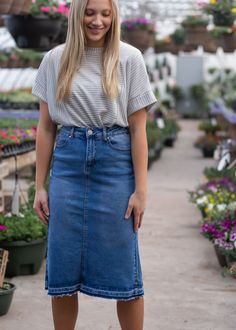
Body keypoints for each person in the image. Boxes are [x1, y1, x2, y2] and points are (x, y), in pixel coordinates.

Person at [32, 0, 157, 329]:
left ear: (114, 14)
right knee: (62, 271)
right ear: (76, 14)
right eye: (90, 12)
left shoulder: (129, 58)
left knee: (125, 271)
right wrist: (39, 186)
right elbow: (46, 128)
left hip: (115, 166)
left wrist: (140, 191)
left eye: (105, 13)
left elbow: (139, 129)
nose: (98, 21)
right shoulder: (54, 59)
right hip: (68, 166)